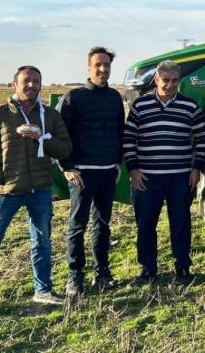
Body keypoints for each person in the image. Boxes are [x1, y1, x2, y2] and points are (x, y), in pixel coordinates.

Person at [0, 65, 72, 317]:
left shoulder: (50, 116)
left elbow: (65, 149)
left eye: (36, 81)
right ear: (14, 85)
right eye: (26, 81)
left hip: (40, 189)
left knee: (41, 241)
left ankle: (43, 289)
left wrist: (44, 138)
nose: (31, 85)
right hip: (5, 192)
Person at [123, 60, 205, 284]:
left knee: (180, 222)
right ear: (156, 80)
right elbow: (129, 139)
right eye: (165, 80)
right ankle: (148, 268)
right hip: (147, 177)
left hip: (180, 176)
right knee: (146, 224)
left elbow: (201, 139)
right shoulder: (140, 106)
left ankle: (183, 267)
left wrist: (196, 168)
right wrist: (133, 170)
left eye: (174, 81)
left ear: (179, 81)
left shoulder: (190, 107)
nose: (170, 85)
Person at [58, 46, 126, 297]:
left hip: (108, 172)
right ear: (89, 68)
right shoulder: (73, 98)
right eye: (98, 65)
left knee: (103, 224)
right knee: (77, 225)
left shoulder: (114, 97)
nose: (103, 69)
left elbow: (120, 131)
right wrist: (66, 166)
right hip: (82, 174)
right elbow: (60, 135)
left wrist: (118, 162)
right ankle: (75, 276)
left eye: (106, 65)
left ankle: (103, 272)